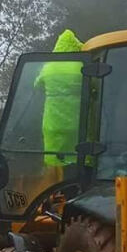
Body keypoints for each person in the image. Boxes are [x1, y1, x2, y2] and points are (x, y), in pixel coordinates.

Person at [34, 28, 83, 166]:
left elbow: (36, 85)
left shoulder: (48, 68)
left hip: (53, 123)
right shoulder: (82, 66)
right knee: (80, 156)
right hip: (78, 123)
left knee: (54, 160)